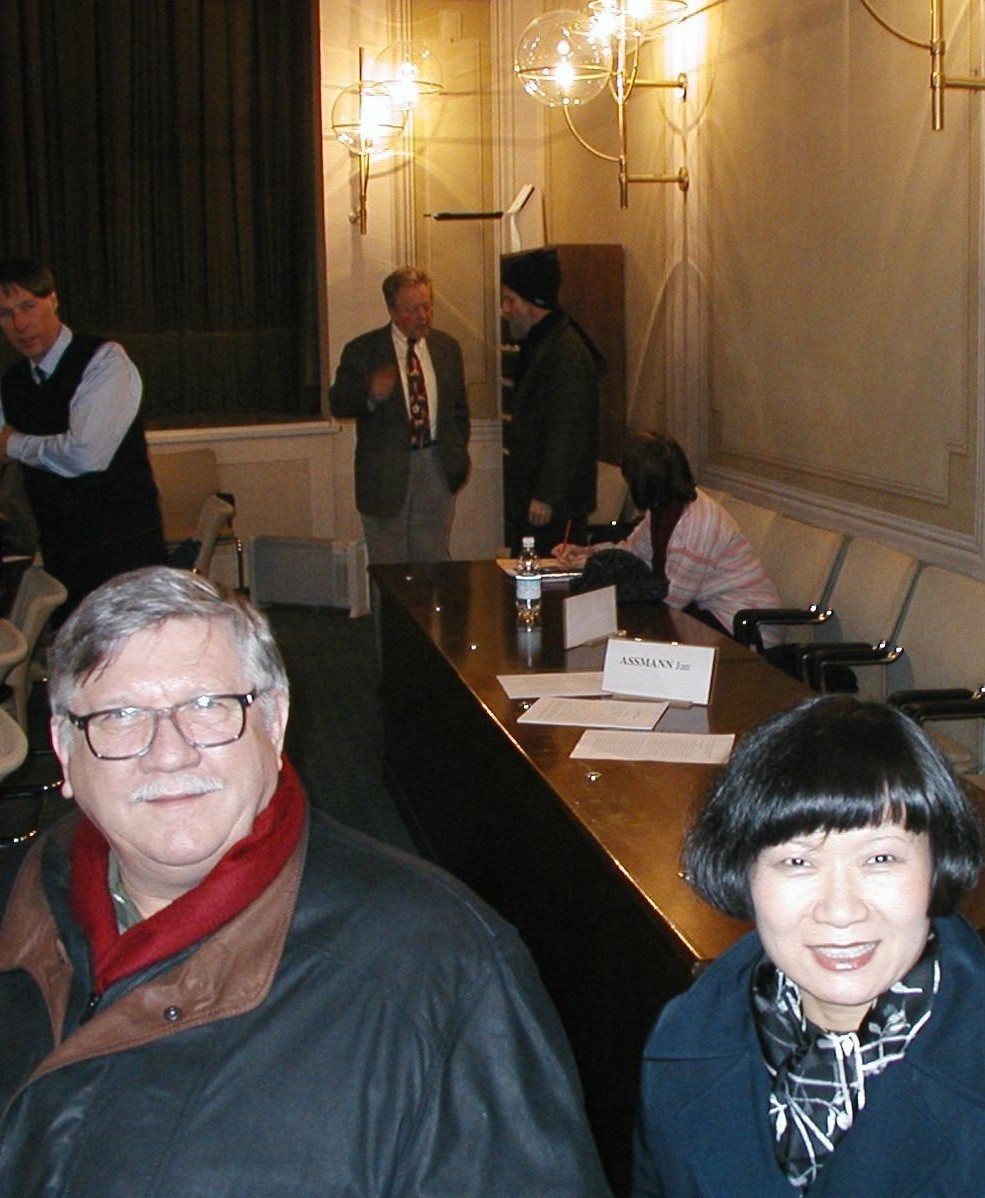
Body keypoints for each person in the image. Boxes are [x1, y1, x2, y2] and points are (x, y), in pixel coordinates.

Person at [0, 566, 612, 1197]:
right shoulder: (19, 901)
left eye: (208, 706)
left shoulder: (443, 969)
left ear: (274, 724)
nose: (169, 752)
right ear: (65, 750)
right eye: (121, 715)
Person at [633, 695, 985, 1197]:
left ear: (938, 863)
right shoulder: (683, 1044)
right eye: (797, 862)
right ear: (744, 872)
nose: (840, 910)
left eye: (880, 859)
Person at [0, 257, 166, 618]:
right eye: (5, 314)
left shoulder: (104, 361)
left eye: (28, 306)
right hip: (61, 550)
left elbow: (85, 455)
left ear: (53, 300)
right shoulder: (13, 382)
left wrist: (13, 444)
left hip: (123, 551)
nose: (19, 324)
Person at [555, 431, 782, 646]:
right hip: (704, 610)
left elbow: (671, 600)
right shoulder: (664, 505)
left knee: (637, 628)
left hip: (742, 622)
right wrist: (590, 553)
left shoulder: (699, 524)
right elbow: (634, 551)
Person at [329, 266, 471, 564]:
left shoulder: (447, 348)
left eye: (427, 306)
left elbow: (459, 411)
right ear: (392, 310)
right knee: (388, 567)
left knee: (433, 564)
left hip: (436, 467)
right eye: (412, 309)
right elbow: (338, 403)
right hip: (385, 475)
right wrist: (369, 393)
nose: (423, 316)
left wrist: (456, 454)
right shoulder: (363, 350)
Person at [501, 247, 602, 555]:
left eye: (510, 301)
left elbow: (568, 429)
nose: (505, 310)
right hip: (535, 497)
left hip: (554, 506)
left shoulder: (566, 352)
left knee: (550, 576)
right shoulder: (544, 343)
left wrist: (547, 495)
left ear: (534, 304)